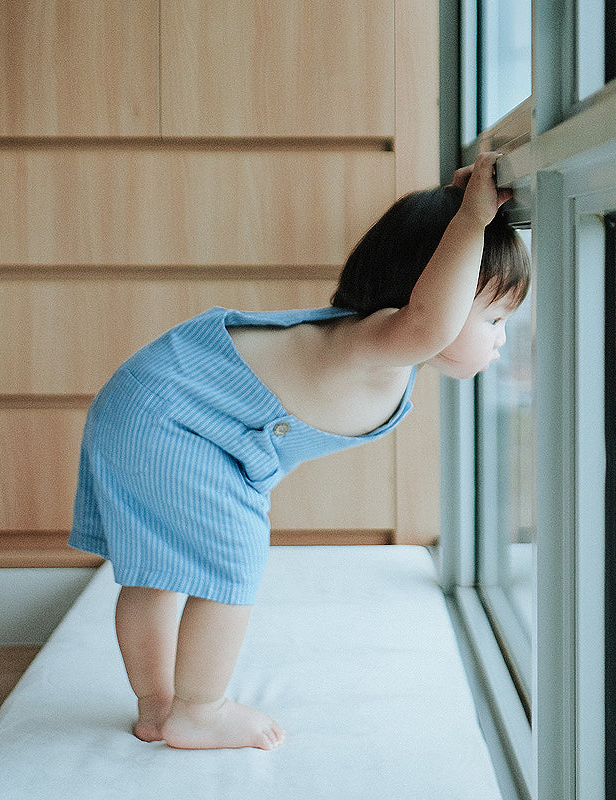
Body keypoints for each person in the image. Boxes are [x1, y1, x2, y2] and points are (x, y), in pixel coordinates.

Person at [68, 152, 531, 751]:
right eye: (493, 317)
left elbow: (435, 312)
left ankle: (159, 708)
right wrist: (467, 222)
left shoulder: (385, 354)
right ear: (431, 288)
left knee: (158, 574)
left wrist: (459, 221)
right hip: (170, 420)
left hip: (155, 407)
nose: (500, 339)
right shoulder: (378, 340)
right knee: (230, 559)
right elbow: (430, 321)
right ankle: (197, 710)